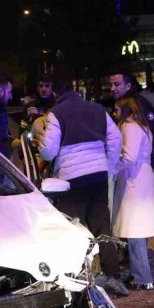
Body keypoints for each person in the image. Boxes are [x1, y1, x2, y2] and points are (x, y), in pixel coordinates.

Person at [37, 84, 129, 296]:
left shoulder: (56, 114)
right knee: (102, 226)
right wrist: (107, 165)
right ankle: (112, 275)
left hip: (71, 180)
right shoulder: (98, 110)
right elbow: (115, 139)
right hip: (98, 176)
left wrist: (41, 146)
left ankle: (74, 277)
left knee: (72, 228)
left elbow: (49, 152)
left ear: (57, 94)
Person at [111, 96, 154, 290]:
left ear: (124, 110)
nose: (114, 113)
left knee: (134, 230)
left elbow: (129, 156)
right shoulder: (141, 125)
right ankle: (137, 273)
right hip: (141, 179)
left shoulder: (128, 126)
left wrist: (112, 166)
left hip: (134, 180)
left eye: (116, 110)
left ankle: (142, 278)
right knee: (136, 229)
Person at [110, 71, 154, 167]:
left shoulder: (140, 105)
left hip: (138, 167)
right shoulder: (119, 104)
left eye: (116, 84)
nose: (112, 88)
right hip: (126, 166)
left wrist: (141, 154)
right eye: (111, 84)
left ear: (128, 86)